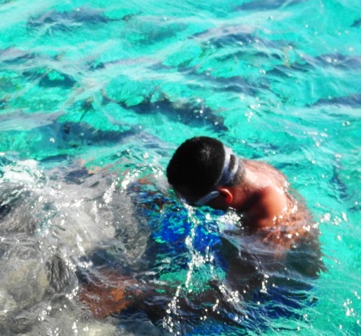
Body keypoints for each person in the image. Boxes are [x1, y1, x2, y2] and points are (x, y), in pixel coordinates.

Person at [80, 136, 323, 321]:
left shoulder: (265, 233)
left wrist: (135, 292)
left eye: (191, 203)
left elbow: (227, 302)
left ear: (224, 196)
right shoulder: (241, 171)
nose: (184, 204)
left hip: (279, 299)